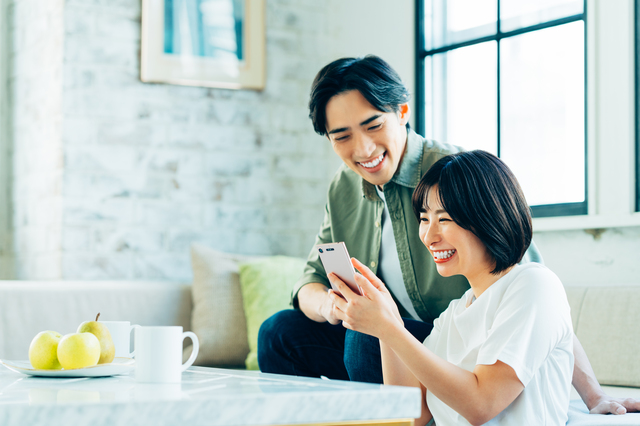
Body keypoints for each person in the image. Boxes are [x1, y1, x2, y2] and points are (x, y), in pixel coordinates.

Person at [257, 55, 640, 415]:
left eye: (373, 126)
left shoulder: (455, 175)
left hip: (459, 346)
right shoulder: (344, 188)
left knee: (368, 337)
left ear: (401, 112)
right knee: (279, 332)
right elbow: (309, 280)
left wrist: (595, 395)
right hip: (421, 336)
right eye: (341, 137)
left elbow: (533, 293)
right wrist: (332, 307)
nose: (363, 149)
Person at [328, 150, 573, 425]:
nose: (429, 236)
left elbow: (483, 403)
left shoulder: (533, 285)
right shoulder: (453, 316)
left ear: (488, 217)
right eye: (423, 219)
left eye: (444, 219)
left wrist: (390, 328)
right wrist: (386, 318)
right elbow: (410, 415)